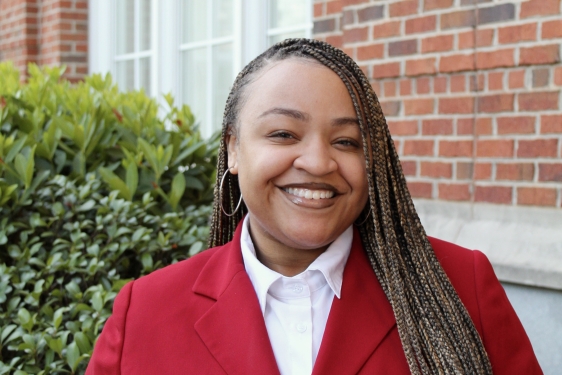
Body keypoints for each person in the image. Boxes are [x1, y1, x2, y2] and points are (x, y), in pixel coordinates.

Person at [86, 39, 542, 374]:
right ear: (233, 150)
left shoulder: (461, 287)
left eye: (346, 141)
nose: (320, 162)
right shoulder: (145, 312)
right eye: (283, 133)